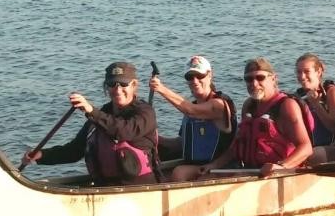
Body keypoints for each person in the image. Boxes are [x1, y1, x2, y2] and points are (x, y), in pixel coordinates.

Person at [22, 62, 159, 186]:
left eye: (123, 84)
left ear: (134, 85)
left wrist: (91, 110)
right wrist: (41, 155)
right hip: (104, 188)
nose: (117, 90)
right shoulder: (101, 114)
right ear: (106, 87)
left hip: (139, 188)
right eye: (112, 84)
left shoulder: (145, 113)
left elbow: (124, 131)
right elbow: (74, 151)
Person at [204, 58, 313, 177]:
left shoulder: (286, 106)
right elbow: (235, 147)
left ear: (273, 79)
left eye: (260, 78)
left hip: (280, 173)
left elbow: (306, 148)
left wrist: (281, 166)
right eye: (249, 79)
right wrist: (213, 165)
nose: (254, 83)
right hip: (250, 170)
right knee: (204, 177)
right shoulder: (248, 106)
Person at [149, 55, 237, 182]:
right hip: (196, 166)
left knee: (179, 173)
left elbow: (191, 110)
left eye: (200, 76)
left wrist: (161, 89)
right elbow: (181, 143)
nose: (195, 81)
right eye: (190, 77)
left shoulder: (218, 105)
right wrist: (155, 138)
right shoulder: (190, 109)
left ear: (210, 75)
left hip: (220, 168)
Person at [295, 53, 335, 146]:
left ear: (318, 72)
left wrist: (316, 104)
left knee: (315, 153)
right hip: (309, 147)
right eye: (299, 72)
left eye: (307, 71)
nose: (302, 76)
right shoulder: (297, 97)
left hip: (333, 146)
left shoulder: (331, 92)